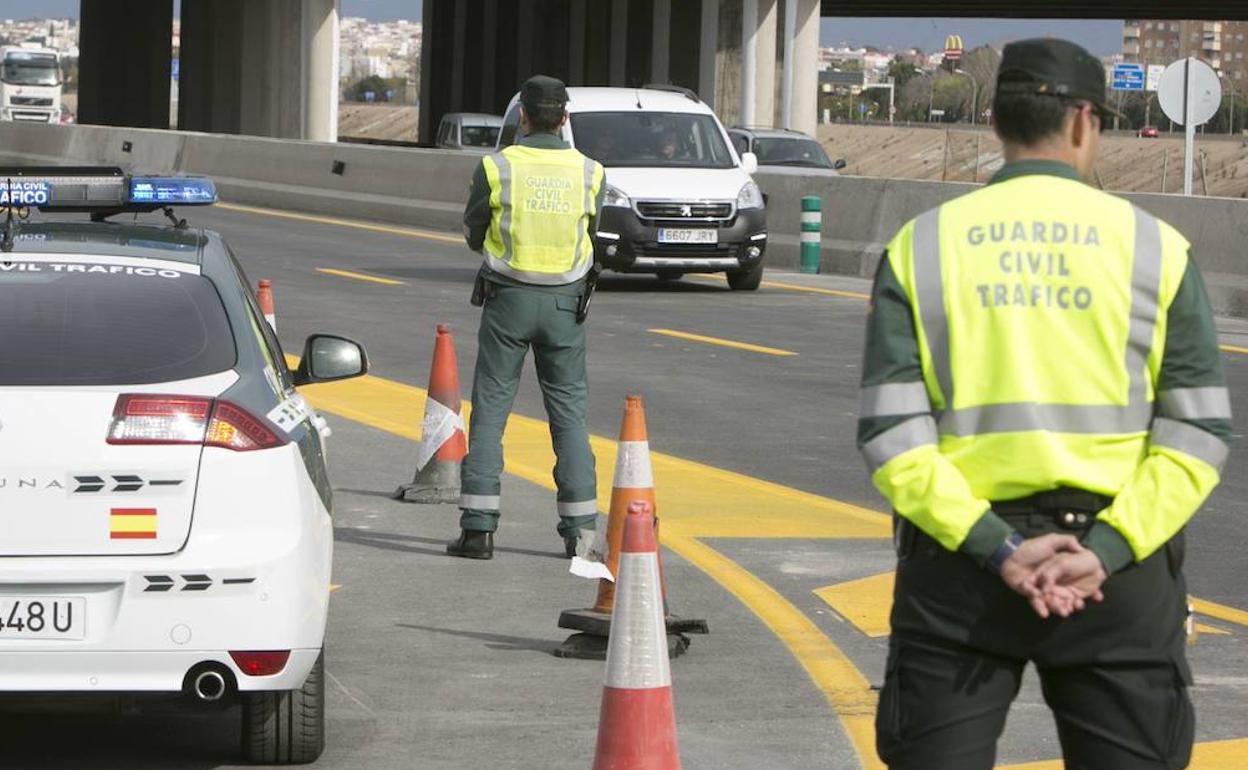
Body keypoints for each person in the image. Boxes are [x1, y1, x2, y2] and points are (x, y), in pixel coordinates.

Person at [857, 38, 1231, 770]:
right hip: (1118, 577)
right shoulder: (1156, 249)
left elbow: (891, 432)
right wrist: (1107, 551)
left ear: (996, 120)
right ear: (1086, 122)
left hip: (963, 572)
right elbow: (1198, 431)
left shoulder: (921, 246)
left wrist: (999, 548)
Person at [451, 75, 606, 561]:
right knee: (568, 416)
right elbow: (594, 229)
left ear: (522, 116)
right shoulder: (590, 171)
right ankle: (580, 534)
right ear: (564, 118)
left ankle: (478, 529)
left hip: (508, 302)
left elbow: (476, 229)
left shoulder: (497, 167)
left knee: (491, 410)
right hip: (565, 307)